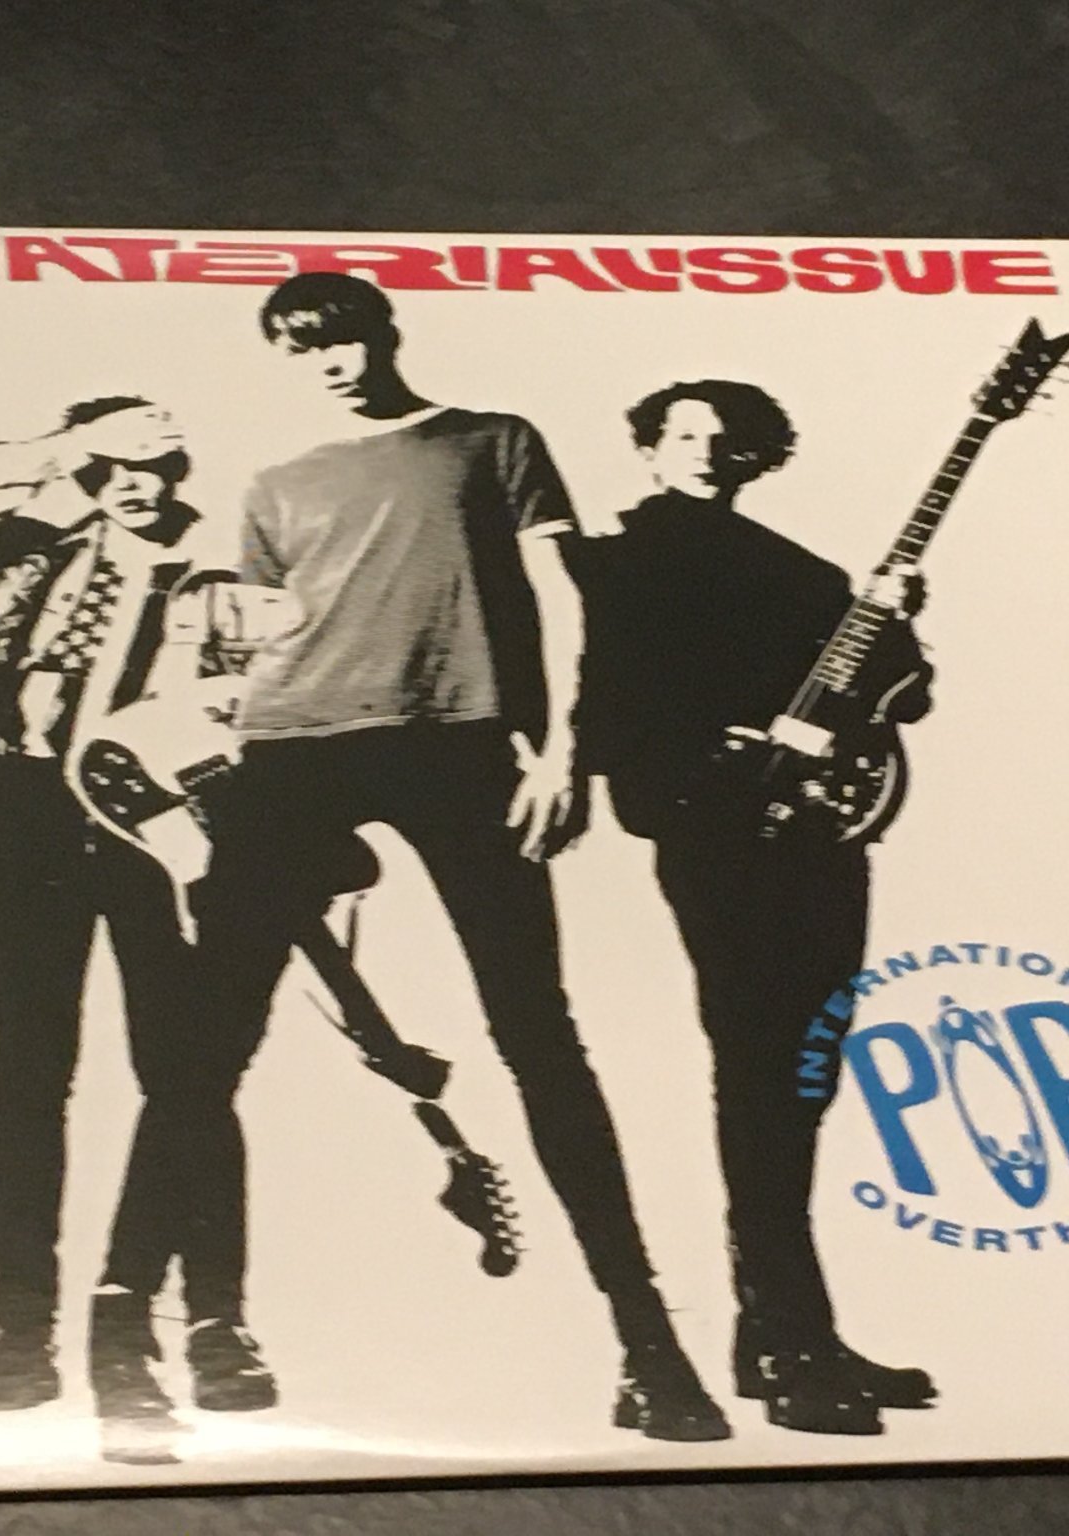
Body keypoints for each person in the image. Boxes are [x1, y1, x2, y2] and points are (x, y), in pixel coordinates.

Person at [185, 271, 729, 1441]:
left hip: (461, 744)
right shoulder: (276, 482)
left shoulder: (491, 440)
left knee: (538, 1036)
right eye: (302, 349)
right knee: (211, 1039)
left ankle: (649, 1347)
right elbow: (250, 646)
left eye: (340, 338)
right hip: (292, 748)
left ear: (384, 333)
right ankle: (200, 1330)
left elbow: (564, 600)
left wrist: (564, 751)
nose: (328, 363)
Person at [572, 379, 938, 1435]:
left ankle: (780, 1329)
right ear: (649, 449)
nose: (702, 449)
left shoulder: (802, 571)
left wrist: (894, 620)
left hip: (824, 837)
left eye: (723, 437)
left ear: (755, 458)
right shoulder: (612, 564)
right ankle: (788, 1344)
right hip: (716, 835)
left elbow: (901, 694)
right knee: (759, 1067)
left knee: (805, 1073)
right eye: (681, 433)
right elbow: (596, 708)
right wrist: (704, 757)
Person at [0, 397, 274, 1449]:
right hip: (20, 817)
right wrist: (64, 451)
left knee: (188, 1077)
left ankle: (213, 1323)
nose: (134, 483)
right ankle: (17, 1334)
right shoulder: (38, 557)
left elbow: (256, 701)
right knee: (27, 1080)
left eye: (154, 464)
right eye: (110, 467)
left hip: (151, 823)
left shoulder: (219, 574)